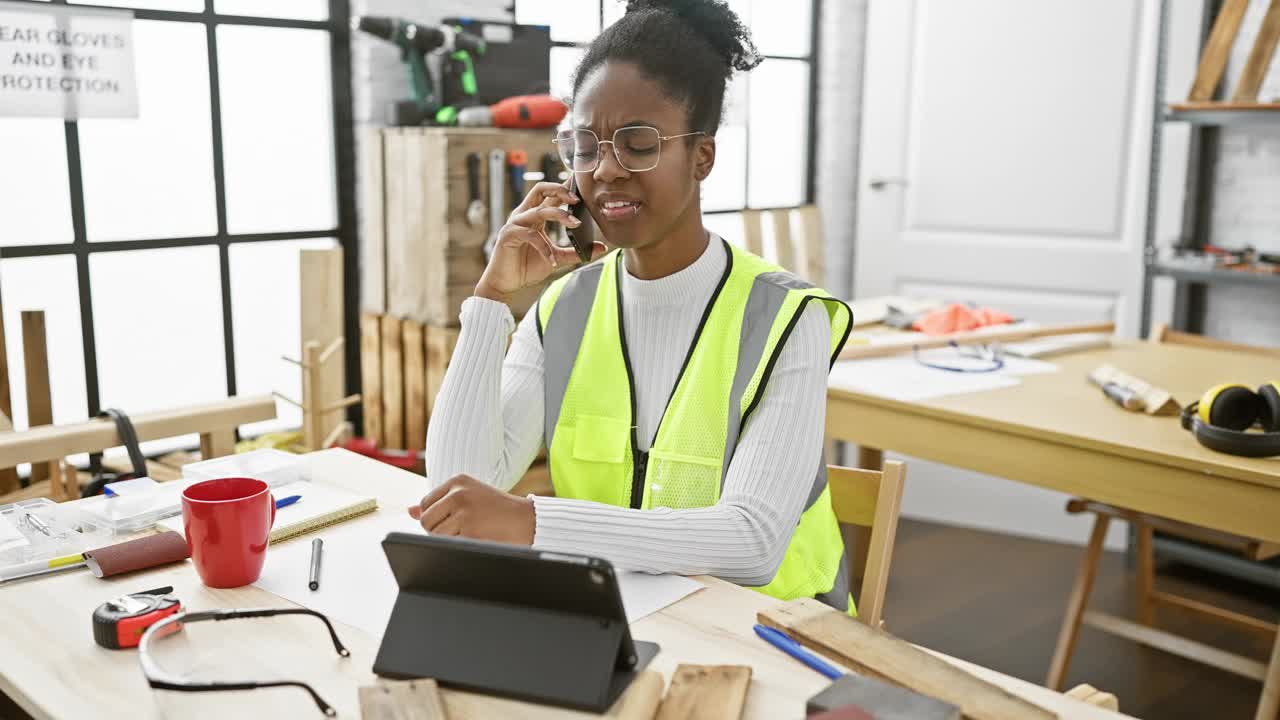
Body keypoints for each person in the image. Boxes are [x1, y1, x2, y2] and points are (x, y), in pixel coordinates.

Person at [410, 0, 855, 612]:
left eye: (638, 144)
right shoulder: (561, 308)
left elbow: (753, 543)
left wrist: (533, 522)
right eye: (585, 147)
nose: (606, 170)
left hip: (779, 640)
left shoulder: (788, 318)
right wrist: (491, 298)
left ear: (702, 155)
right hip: (619, 624)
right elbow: (457, 488)